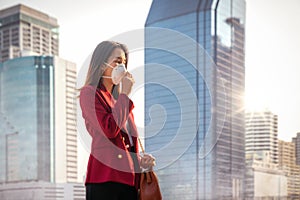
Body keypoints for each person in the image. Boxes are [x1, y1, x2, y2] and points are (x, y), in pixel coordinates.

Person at [79, 41, 155, 200]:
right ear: (101, 64)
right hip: (105, 179)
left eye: (125, 63)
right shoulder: (90, 93)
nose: (123, 67)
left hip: (130, 182)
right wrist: (125, 95)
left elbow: (126, 145)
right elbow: (109, 130)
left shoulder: (120, 101)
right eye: (118, 61)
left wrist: (142, 161)